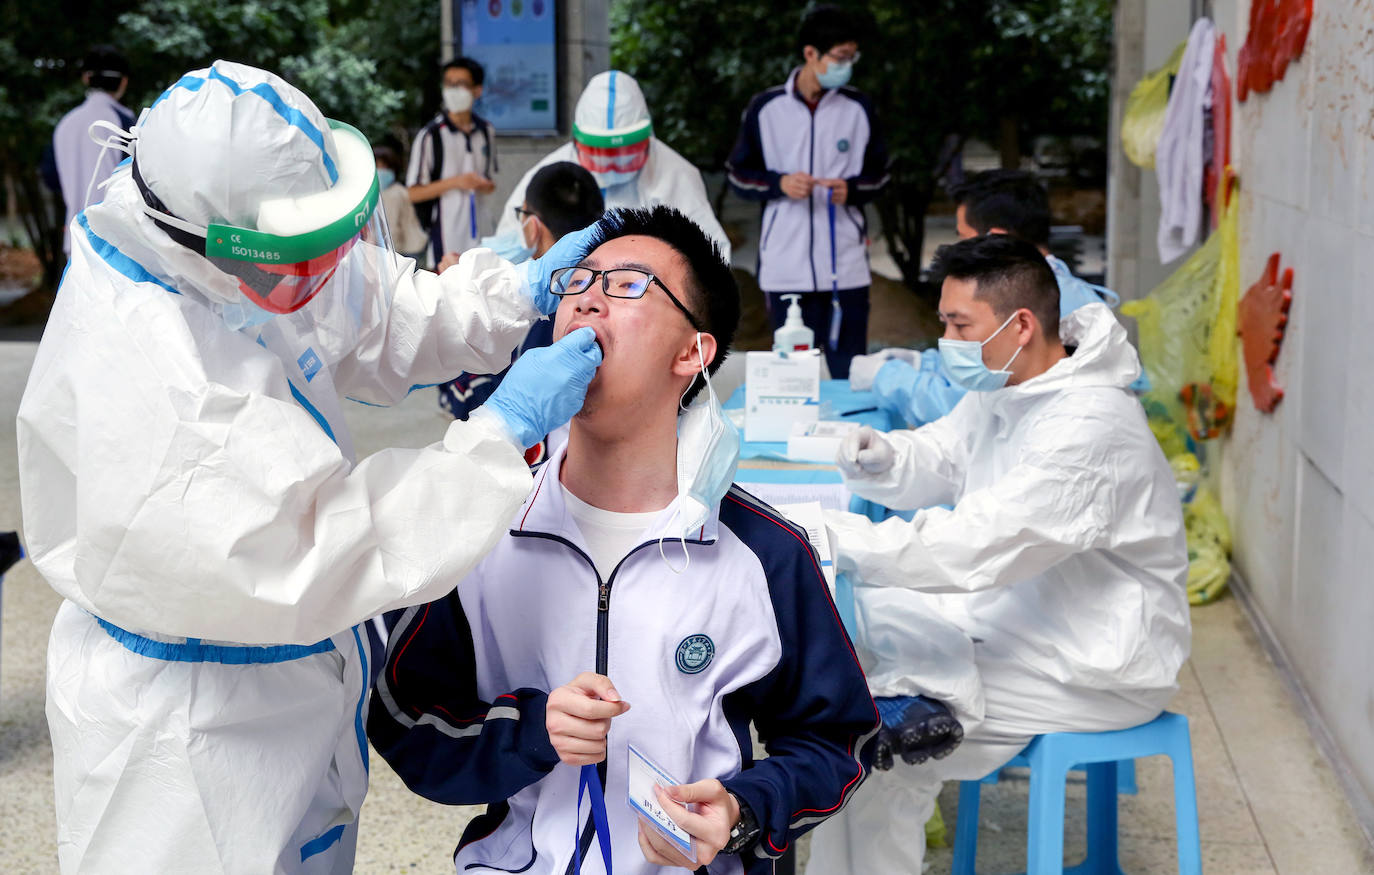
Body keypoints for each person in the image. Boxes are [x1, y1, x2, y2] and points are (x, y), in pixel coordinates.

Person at [17, 60, 604, 874]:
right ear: (219, 245)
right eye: (295, 258)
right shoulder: (160, 379)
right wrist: (497, 438)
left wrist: (513, 295)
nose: (319, 272)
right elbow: (324, 545)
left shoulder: (223, 240)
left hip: (284, 690)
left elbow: (367, 303)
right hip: (192, 743)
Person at [369, 206, 878, 874]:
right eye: (579, 282)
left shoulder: (764, 551)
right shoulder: (479, 523)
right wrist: (529, 732)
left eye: (628, 285)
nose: (588, 301)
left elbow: (836, 739)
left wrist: (743, 808)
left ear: (692, 352)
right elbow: (407, 720)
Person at [805, 234, 1191, 873]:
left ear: (1020, 324)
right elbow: (945, 455)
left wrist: (830, 537)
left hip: (1089, 663)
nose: (947, 342)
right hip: (1020, 620)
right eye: (945, 324)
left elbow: (972, 547)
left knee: (873, 745)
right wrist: (886, 457)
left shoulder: (1090, 429)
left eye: (960, 325)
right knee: (862, 647)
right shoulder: (1007, 383)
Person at [851, 169, 1128, 427]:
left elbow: (965, 409)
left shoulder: (1023, 299)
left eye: (961, 326)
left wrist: (887, 379)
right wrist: (926, 364)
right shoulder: (1067, 290)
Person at [726, 4, 889, 379]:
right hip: (785, 265)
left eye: (852, 57)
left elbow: (881, 177)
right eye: (840, 57)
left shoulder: (858, 108)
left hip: (846, 266)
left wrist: (850, 189)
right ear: (811, 54)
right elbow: (738, 175)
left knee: (850, 367)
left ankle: (848, 433)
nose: (847, 65)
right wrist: (778, 184)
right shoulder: (766, 108)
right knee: (793, 373)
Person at [493, 70, 732, 260]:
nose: (611, 167)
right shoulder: (549, 177)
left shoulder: (676, 175)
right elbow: (509, 247)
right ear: (577, 142)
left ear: (647, 139)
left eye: (624, 153)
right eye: (599, 153)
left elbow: (712, 256)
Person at [438, 161, 606, 427]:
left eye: (521, 214)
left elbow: (493, 405)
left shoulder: (545, 308)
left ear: (532, 226)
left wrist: (460, 300)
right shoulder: (606, 290)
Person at [407, 57, 497, 266]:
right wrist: (457, 182)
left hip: (482, 234)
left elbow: (490, 182)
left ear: (477, 90)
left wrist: (484, 185)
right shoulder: (431, 136)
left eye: (462, 84)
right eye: (449, 84)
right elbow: (413, 193)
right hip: (445, 238)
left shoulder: (486, 131)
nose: (454, 90)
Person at [52, 44, 134, 254]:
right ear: (123, 81)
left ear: (86, 79)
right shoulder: (126, 122)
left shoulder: (66, 123)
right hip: (117, 241)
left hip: (76, 236)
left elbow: (51, 176)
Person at [375, 144, 428, 258]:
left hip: (404, 250)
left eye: (384, 166)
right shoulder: (390, 190)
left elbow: (392, 230)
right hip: (408, 247)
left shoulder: (394, 193)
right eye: (377, 166)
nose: (380, 170)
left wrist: (390, 258)